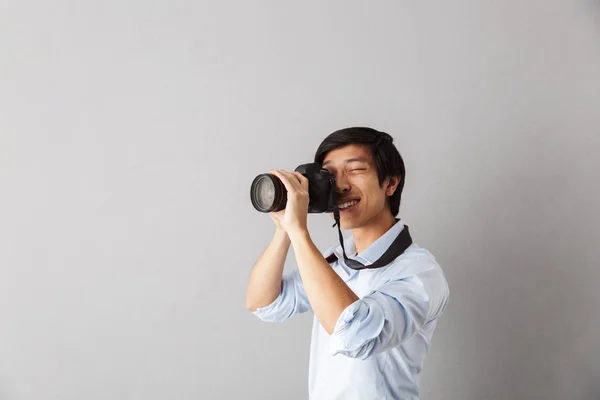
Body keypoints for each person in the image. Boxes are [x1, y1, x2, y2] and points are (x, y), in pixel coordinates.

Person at [246, 127, 449, 400]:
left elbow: (355, 335)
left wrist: (300, 233)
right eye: (329, 175)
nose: (340, 185)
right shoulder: (336, 260)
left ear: (390, 183)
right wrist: (284, 229)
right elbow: (264, 303)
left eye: (354, 170)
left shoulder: (419, 273)